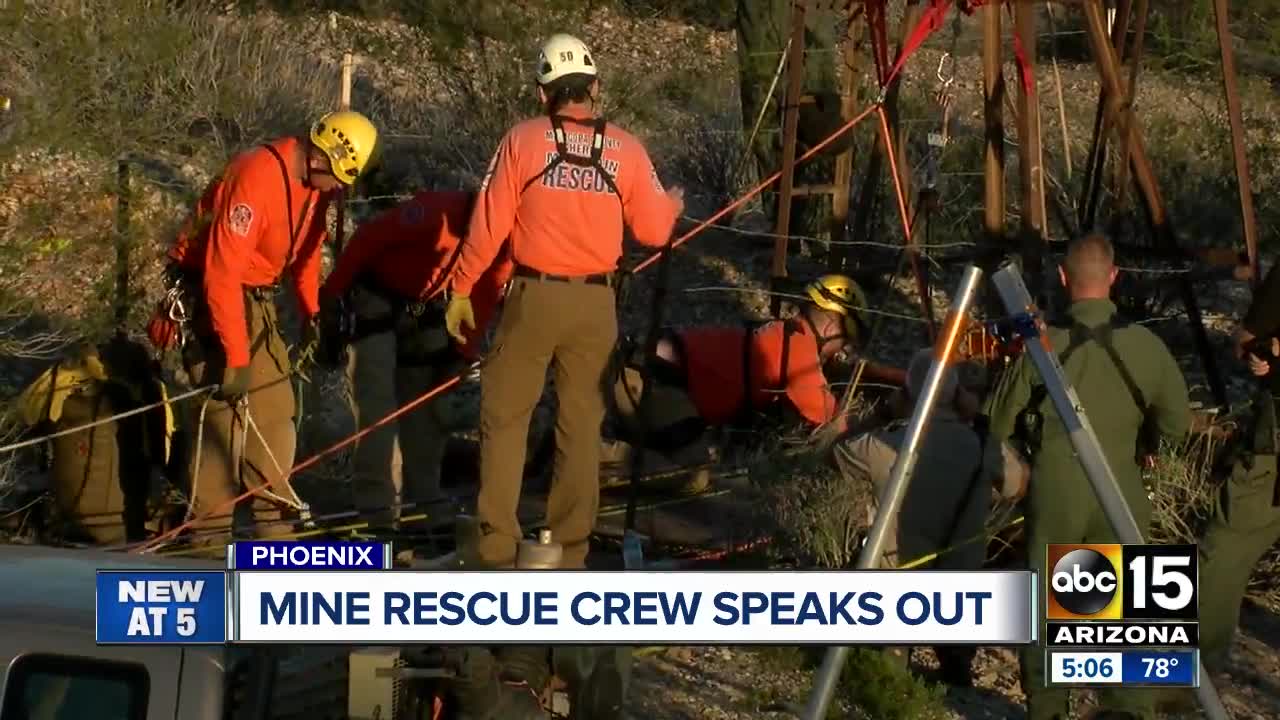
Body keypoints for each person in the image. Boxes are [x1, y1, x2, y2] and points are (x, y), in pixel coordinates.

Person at [442, 32, 682, 718]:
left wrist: (462, 286)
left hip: (534, 294)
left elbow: (489, 221)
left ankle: (495, 548)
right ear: (595, 90)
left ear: (544, 92)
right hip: (597, 303)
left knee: (506, 419)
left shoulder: (523, 140)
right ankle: (568, 551)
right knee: (582, 426)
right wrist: (677, 202)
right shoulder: (628, 150)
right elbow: (657, 230)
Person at [984, 232, 1190, 720]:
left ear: (1062, 278)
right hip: (1122, 486)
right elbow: (1178, 424)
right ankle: (1128, 707)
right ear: (1115, 277)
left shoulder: (1044, 345)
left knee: (1046, 604)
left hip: (1056, 488)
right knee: (1132, 611)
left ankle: (1050, 707)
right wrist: (1146, 443)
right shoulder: (1148, 346)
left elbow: (997, 423)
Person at [158, 110, 380, 540]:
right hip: (213, 293)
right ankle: (210, 535)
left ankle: (274, 525)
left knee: (275, 412)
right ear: (322, 158)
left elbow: (306, 254)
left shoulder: (316, 191)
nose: (341, 188)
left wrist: (313, 312)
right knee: (223, 416)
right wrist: (236, 358)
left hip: (254, 293)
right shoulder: (257, 176)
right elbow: (221, 273)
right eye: (339, 176)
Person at [318, 190, 514, 528]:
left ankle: (424, 503)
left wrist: (462, 353)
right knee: (378, 409)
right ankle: (376, 514)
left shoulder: (507, 238)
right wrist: (333, 295)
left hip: (429, 308)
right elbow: (368, 239)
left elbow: (488, 291)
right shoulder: (433, 212)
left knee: (425, 409)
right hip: (376, 296)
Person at [834, 347, 1028, 685]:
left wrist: (883, 412)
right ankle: (956, 656)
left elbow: (833, 452)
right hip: (957, 589)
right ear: (958, 397)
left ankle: (892, 651)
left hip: (899, 583)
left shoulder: (885, 446)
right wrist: (980, 422)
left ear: (909, 396)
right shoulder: (981, 447)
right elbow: (1020, 484)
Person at [608, 274, 867, 481]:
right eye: (844, 344)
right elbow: (831, 421)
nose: (839, 354)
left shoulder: (785, 333)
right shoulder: (799, 351)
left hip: (643, 373)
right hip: (651, 383)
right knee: (692, 477)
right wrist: (865, 421)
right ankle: (594, 456)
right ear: (832, 329)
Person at [1195, 261, 1280, 670]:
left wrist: (1259, 350)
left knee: (1224, 548)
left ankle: (1200, 676)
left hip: (1272, 449)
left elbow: (1246, 341)